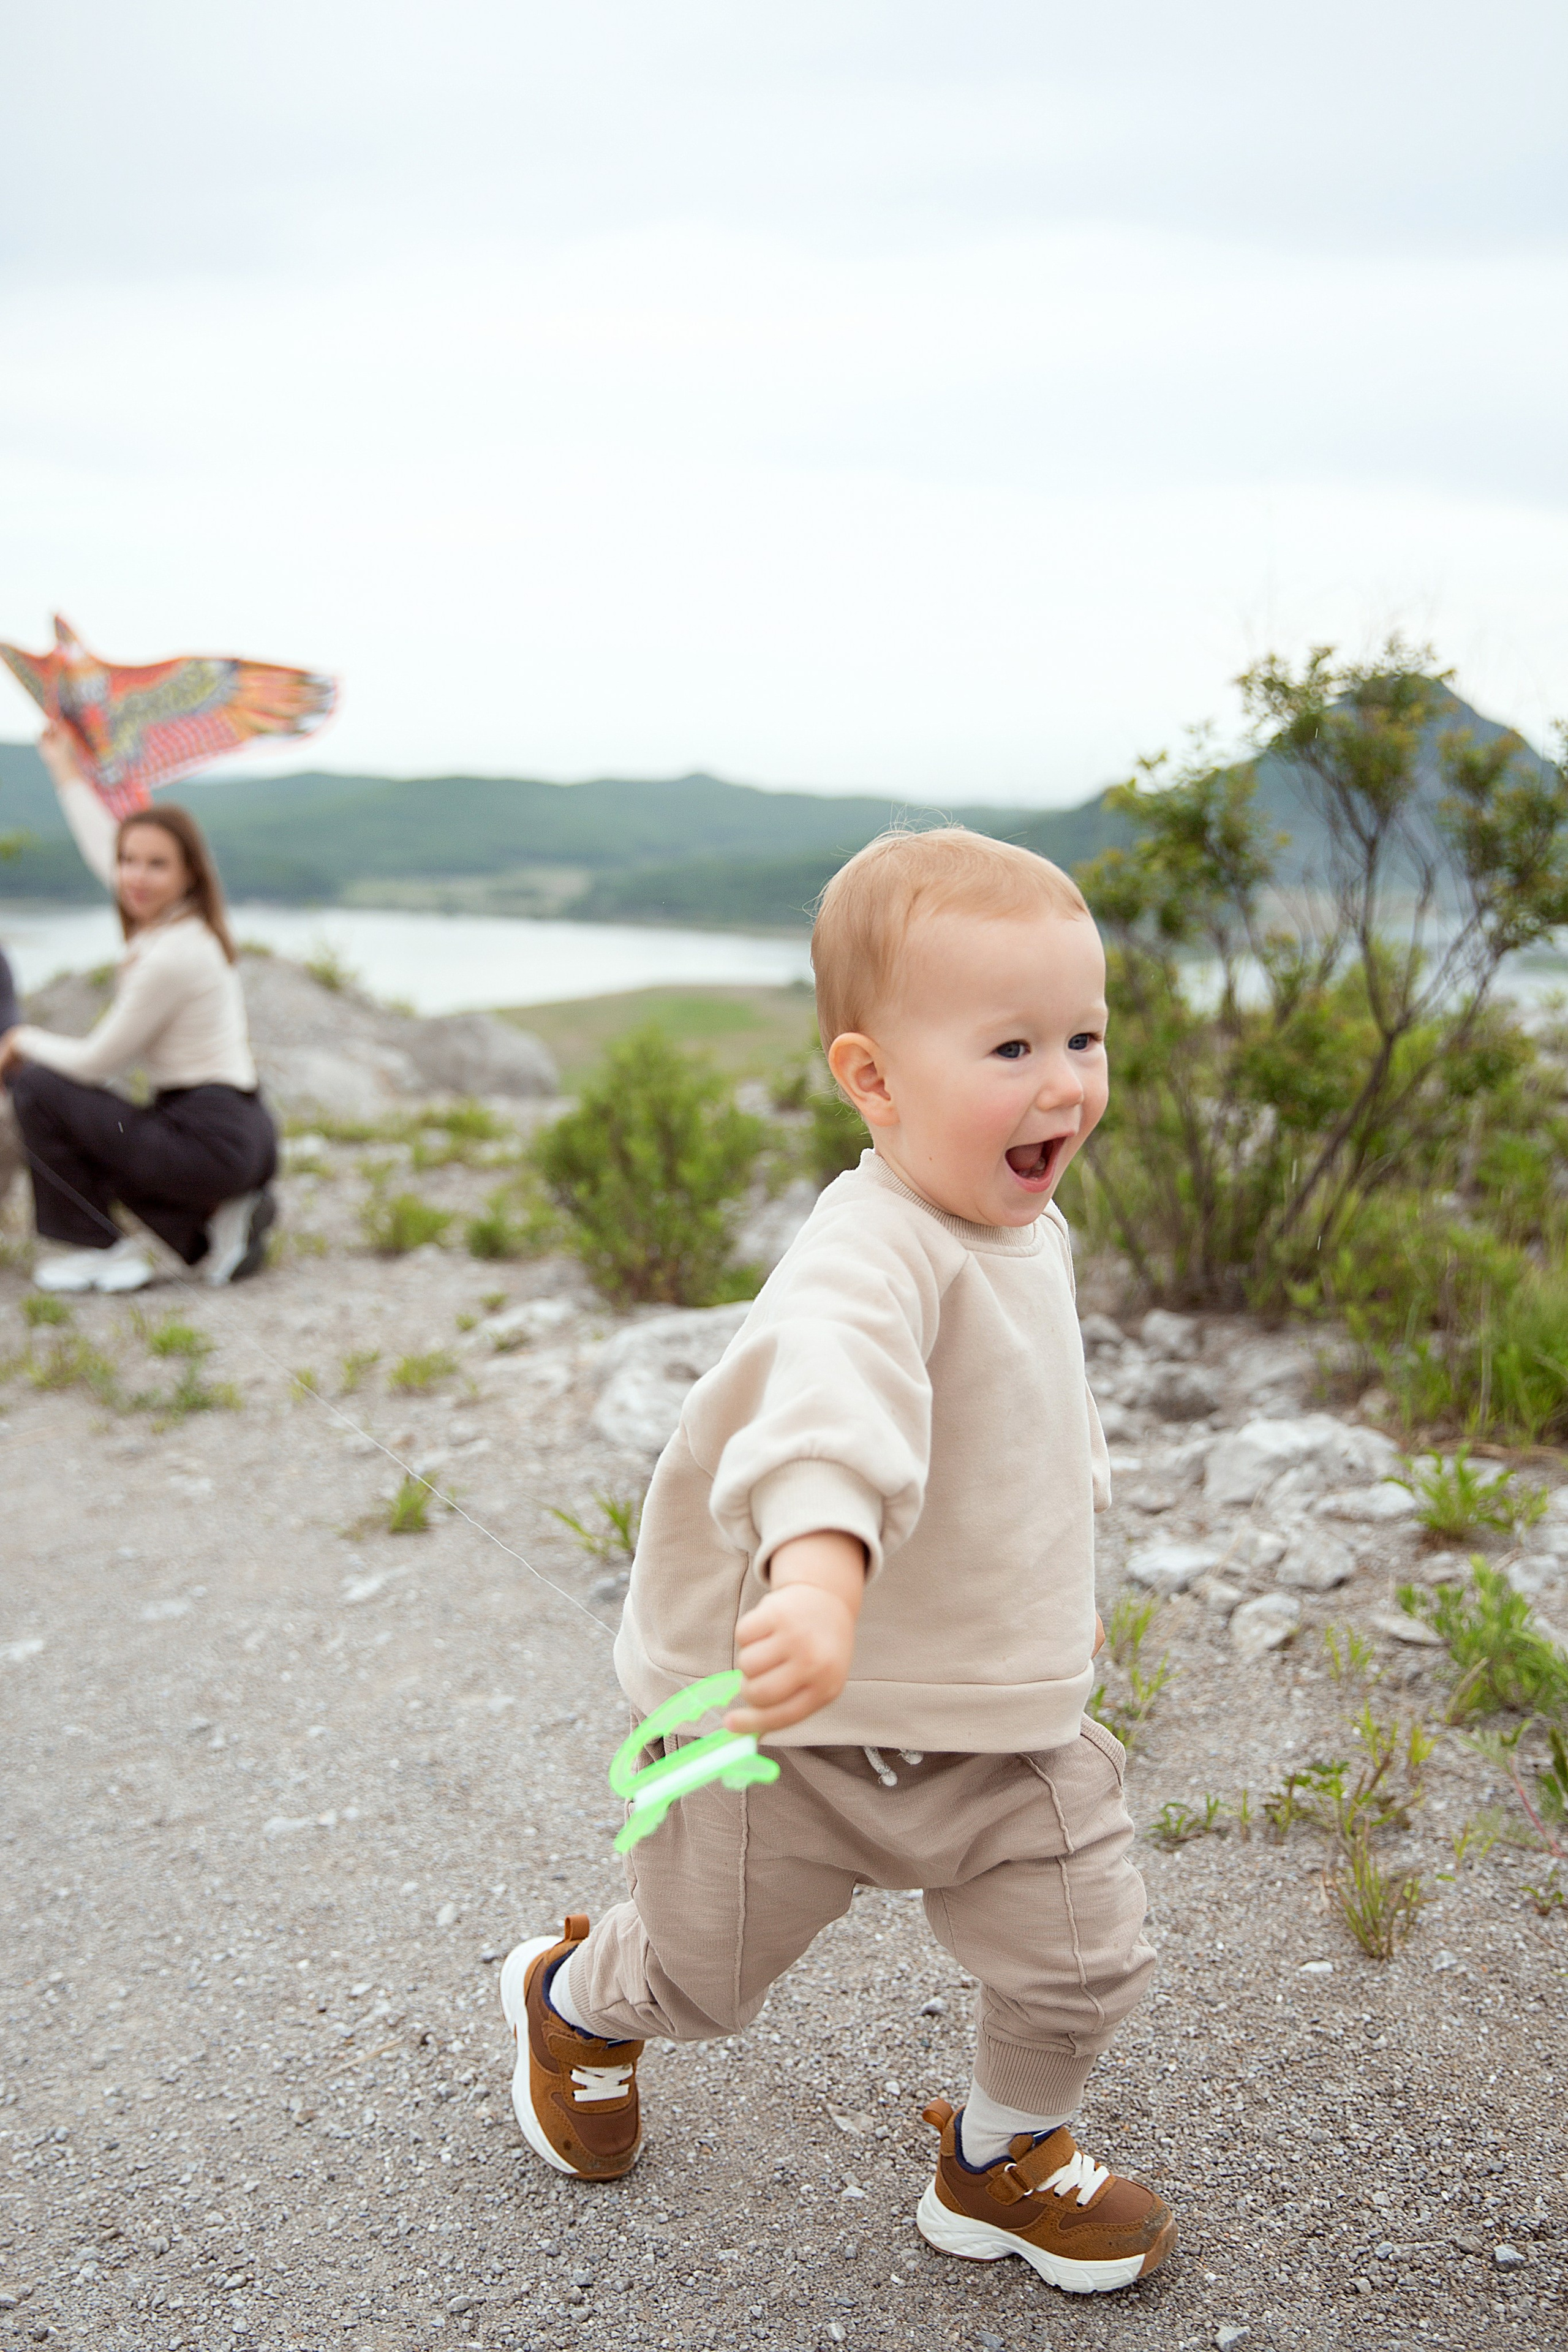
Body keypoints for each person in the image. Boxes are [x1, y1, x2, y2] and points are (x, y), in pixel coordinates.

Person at [497, 827, 1174, 2298]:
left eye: (1083, 1034)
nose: (1062, 1079)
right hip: (792, 1729)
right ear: (869, 1075)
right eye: (1009, 1044)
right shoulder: (863, 1252)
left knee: (1078, 1945)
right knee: (699, 1975)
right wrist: (814, 1574)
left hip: (997, 1723)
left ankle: (1000, 2158)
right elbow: (827, 1409)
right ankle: (574, 1999)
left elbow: (1006, 1418)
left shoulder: (1022, 1220)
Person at [0, 724, 277, 1294]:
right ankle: (205, 1233)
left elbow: (98, 1062)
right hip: (231, 1131)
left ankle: (97, 1248)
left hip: (208, 1138)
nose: (135, 876)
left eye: (156, 865)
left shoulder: (172, 956)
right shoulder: (183, 927)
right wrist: (64, 769)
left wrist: (19, 1040)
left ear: (188, 875)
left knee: (39, 1090)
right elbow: (103, 844)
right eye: (129, 861)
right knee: (101, 1121)